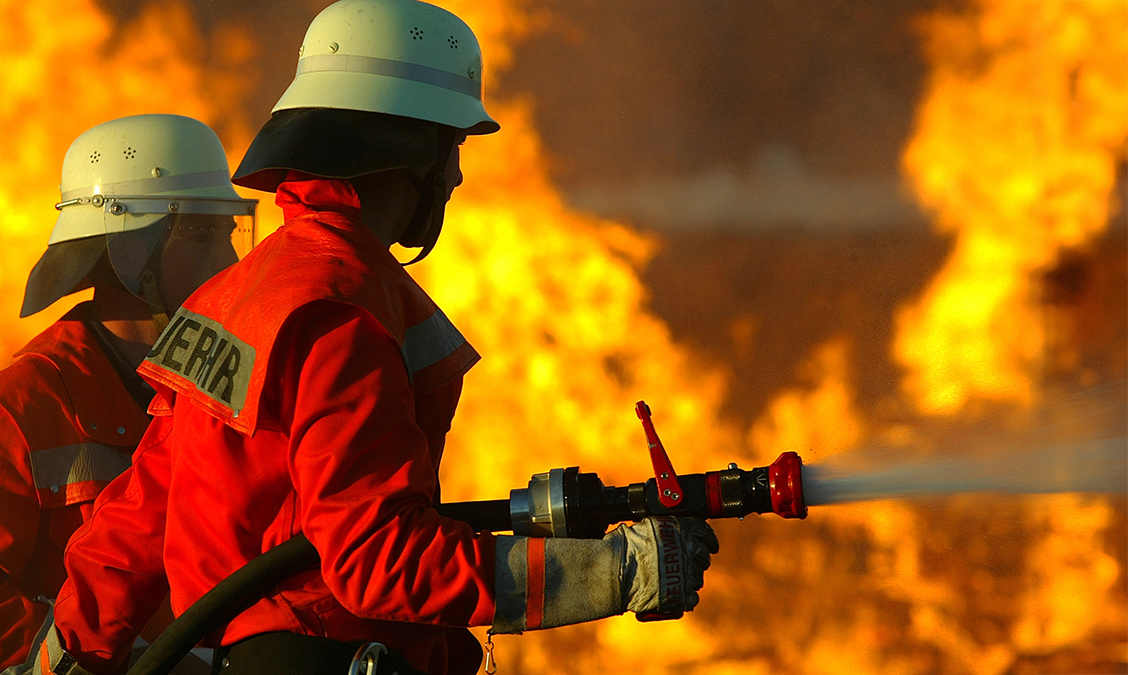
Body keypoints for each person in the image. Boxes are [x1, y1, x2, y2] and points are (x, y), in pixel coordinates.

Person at [41, 3, 719, 675]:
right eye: (450, 147)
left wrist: (64, 655)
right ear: (404, 151)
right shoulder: (340, 310)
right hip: (324, 652)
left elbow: (141, 511)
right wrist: (618, 571)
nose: (454, 175)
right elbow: (377, 562)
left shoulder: (237, 293)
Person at [0, 114, 256, 675]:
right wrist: (105, 664)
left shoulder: (237, 393)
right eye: (201, 236)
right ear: (127, 251)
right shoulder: (7, 416)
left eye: (228, 234)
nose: (228, 263)